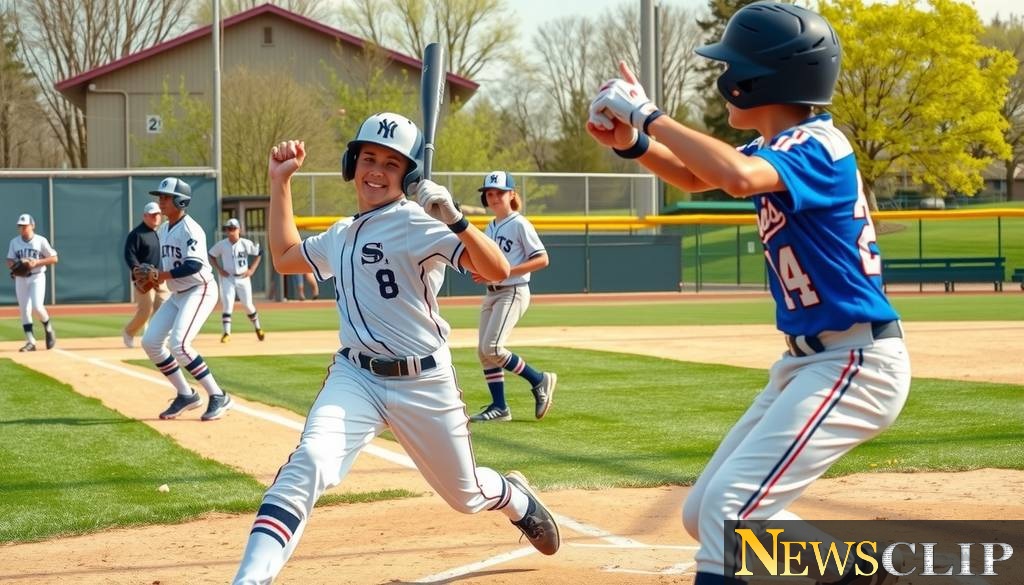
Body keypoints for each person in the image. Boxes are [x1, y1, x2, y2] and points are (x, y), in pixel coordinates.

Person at [587, 3, 911, 585]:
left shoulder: (820, 144)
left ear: (761, 80)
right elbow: (698, 175)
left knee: (728, 511)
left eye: (730, 68)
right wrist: (634, 142)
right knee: (702, 512)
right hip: (813, 363)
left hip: (856, 363)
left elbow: (734, 177)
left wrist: (651, 114)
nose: (722, 80)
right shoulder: (782, 149)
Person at [233, 113, 560, 584]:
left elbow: (497, 270)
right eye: (369, 158)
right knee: (308, 463)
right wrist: (278, 182)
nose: (376, 170)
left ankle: (513, 497)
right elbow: (286, 258)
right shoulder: (342, 233)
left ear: (407, 175)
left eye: (391, 163)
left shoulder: (417, 223)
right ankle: (249, 579)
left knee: (465, 495)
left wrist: (456, 219)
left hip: (423, 382)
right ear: (351, 163)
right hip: (356, 378)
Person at [142, 177, 233, 421]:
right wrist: (153, 275)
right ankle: (186, 394)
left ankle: (218, 395)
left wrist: (162, 275)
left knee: (180, 345)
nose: (160, 201)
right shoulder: (164, 229)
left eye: (165, 197)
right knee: (150, 342)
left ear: (180, 201)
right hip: (177, 293)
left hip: (199, 289)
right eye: (160, 197)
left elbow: (193, 265)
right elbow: (167, 264)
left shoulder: (191, 229)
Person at [469, 171, 556, 423]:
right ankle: (500, 407)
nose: (494, 197)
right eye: (490, 193)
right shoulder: (491, 226)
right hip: (493, 292)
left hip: (514, 290)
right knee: (484, 353)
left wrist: (504, 272)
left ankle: (539, 379)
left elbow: (542, 259)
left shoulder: (519, 224)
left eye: (499, 193)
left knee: (493, 347)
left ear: (512, 195)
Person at [6, 213, 58, 352]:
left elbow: (54, 258)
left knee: (37, 307)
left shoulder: (40, 241)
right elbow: (9, 260)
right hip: (21, 278)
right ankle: (30, 342)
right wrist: (14, 267)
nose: (23, 228)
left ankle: (48, 327)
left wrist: (37, 262)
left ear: (32, 226)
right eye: (20, 226)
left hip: (37, 276)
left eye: (25, 226)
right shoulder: (14, 242)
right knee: (24, 310)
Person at [208, 218, 265, 343]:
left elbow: (259, 253)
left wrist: (252, 269)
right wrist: (219, 269)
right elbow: (211, 254)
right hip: (228, 278)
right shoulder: (222, 244)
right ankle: (227, 333)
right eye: (228, 229)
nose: (230, 231)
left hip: (243, 278)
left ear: (239, 229)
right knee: (227, 304)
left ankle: (258, 328)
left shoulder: (245, 243)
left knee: (248, 305)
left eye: (233, 228)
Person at [122, 201, 169, 348]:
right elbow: (129, 254)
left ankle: (153, 336)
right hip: (144, 279)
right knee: (145, 311)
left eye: (158, 215)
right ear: (145, 216)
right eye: (152, 215)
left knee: (164, 308)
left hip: (160, 277)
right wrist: (136, 269)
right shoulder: (137, 234)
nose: (156, 217)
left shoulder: (162, 233)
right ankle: (129, 332)